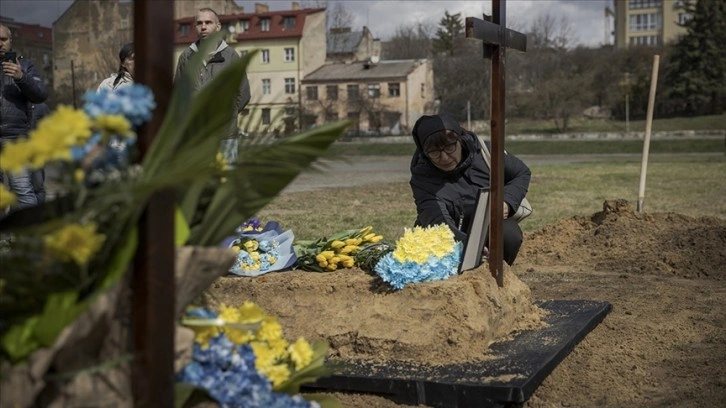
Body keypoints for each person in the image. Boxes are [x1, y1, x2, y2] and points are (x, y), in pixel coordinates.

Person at [409, 113, 531, 265]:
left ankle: (499, 276)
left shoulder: (485, 152)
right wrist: (470, 246)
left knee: (508, 234)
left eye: (450, 147)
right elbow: (438, 222)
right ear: (424, 153)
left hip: (486, 224)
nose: (445, 158)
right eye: (434, 152)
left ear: (460, 139)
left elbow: (521, 173)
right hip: (446, 236)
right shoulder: (422, 177)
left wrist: (506, 201)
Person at [175, 7, 251, 163]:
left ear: (218, 27)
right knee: (198, 182)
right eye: (199, 23)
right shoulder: (186, 57)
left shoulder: (231, 56)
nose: (203, 27)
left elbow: (243, 92)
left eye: (208, 22)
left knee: (224, 179)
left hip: (225, 134)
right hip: (195, 134)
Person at [0, 24, 48, 210]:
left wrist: (21, 77)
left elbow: (40, 95)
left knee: (22, 191)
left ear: (11, 41)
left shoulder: (25, 65)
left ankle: (28, 235)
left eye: (3, 39)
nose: (0, 44)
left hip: (16, 138)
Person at [30, 102, 51, 203]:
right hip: (18, 150)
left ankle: (38, 213)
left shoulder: (41, 106)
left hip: (37, 151)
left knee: (38, 186)